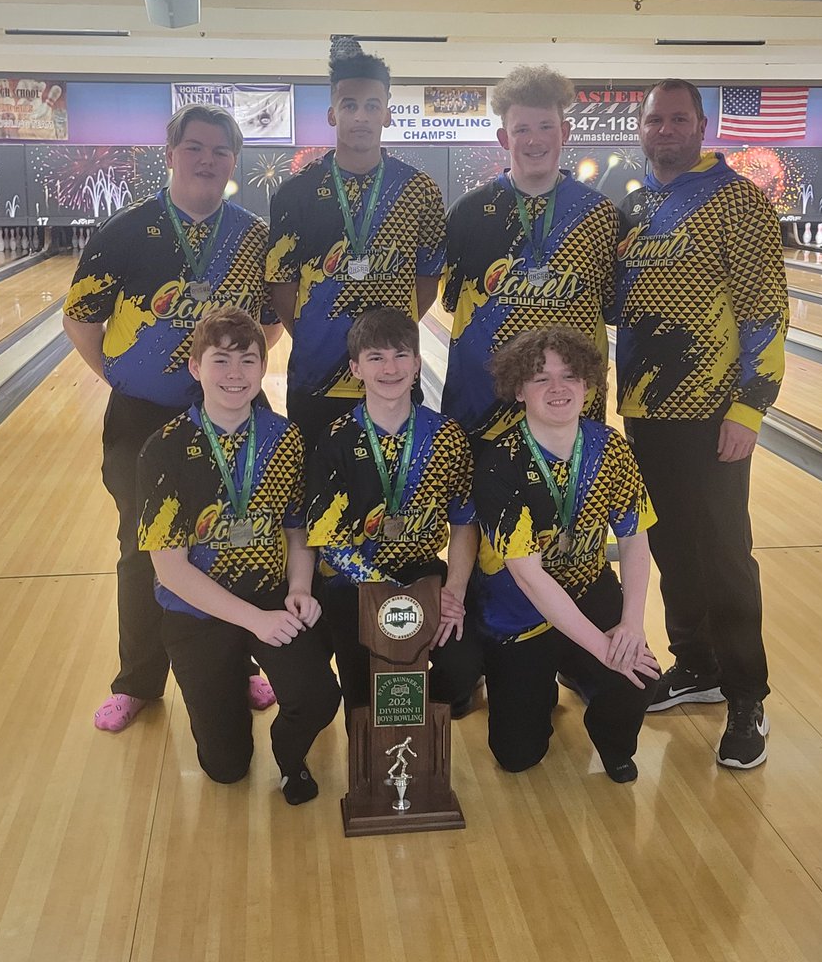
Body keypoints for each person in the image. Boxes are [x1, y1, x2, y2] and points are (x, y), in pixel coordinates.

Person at [63, 103, 281, 732]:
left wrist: (230, 381)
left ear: (234, 160)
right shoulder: (127, 231)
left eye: (220, 150)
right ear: (171, 153)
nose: (207, 160)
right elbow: (81, 316)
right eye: (195, 148)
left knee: (240, 542)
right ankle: (137, 681)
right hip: (144, 418)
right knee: (141, 546)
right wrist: (120, 377)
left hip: (236, 419)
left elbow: (268, 321)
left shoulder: (252, 236)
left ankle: (238, 665)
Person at [616, 79, 789, 769]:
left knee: (724, 555)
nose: (664, 130)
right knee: (670, 548)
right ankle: (696, 664)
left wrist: (750, 407)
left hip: (715, 413)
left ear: (701, 124)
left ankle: (747, 695)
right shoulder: (633, 206)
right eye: (654, 119)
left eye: (677, 118)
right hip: (644, 411)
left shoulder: (737, 203)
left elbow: (766, 311)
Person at [137, 308, 339, 802]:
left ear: (263, 367)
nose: (235, 374)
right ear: (195, 367)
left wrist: (297, 589)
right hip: (196, 613)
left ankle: (291, 759)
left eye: (248, 360)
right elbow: (170, 569)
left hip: (270, 596)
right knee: (225, 768)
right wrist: (255, 622)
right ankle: (230, 696)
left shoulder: (284, 439)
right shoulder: (163, 448)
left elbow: (296, 529)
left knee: (319, 696)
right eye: (220, 360)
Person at [473, 326, 659, 782]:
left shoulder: (610, 448)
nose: (558, 388)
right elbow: (529, 578)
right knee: (517, 755)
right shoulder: (500, 462)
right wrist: (604, 648)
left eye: (570, 376)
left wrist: (631, 625)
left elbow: (635, 540)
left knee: (641, 676)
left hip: (589, 588)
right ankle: (555, 671)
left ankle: (610, 734)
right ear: (519, 390)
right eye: (541, 379)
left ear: (587, 384)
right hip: (517, 607)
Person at [267, 42, 446, 451]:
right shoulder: (297, 192)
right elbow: (281, 285)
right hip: (317, 377)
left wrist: (389, 342)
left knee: (389, 497)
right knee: (317, 497)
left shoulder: (419, 190)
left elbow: (427, 279)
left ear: (387, 111)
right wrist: (316, 335)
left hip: (393, 377)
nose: (360, 116)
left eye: (371, 105)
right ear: (332, 113)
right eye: (349, 105)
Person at [305, 307, 481, 719]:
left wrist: (452, 592)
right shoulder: (335, 441)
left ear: (418, 364)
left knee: (461, 668)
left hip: (424, 573)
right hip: (355, 584)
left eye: (401, 355)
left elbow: (464, 522)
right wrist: (397, 595)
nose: (390, 368)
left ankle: (418, 717)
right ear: (355, 369)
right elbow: (330, 543)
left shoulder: (447, 437)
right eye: (376, 358)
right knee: (363, 708)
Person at [441, 65, 618, 449]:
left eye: (545, 126)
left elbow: (609, 303)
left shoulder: (599, 214)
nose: (534, 140)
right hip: (481, 406)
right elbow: (453, 301)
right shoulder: (469, 211)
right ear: (504, 136)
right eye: (522, 129)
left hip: (569, 409)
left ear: (565, 132)